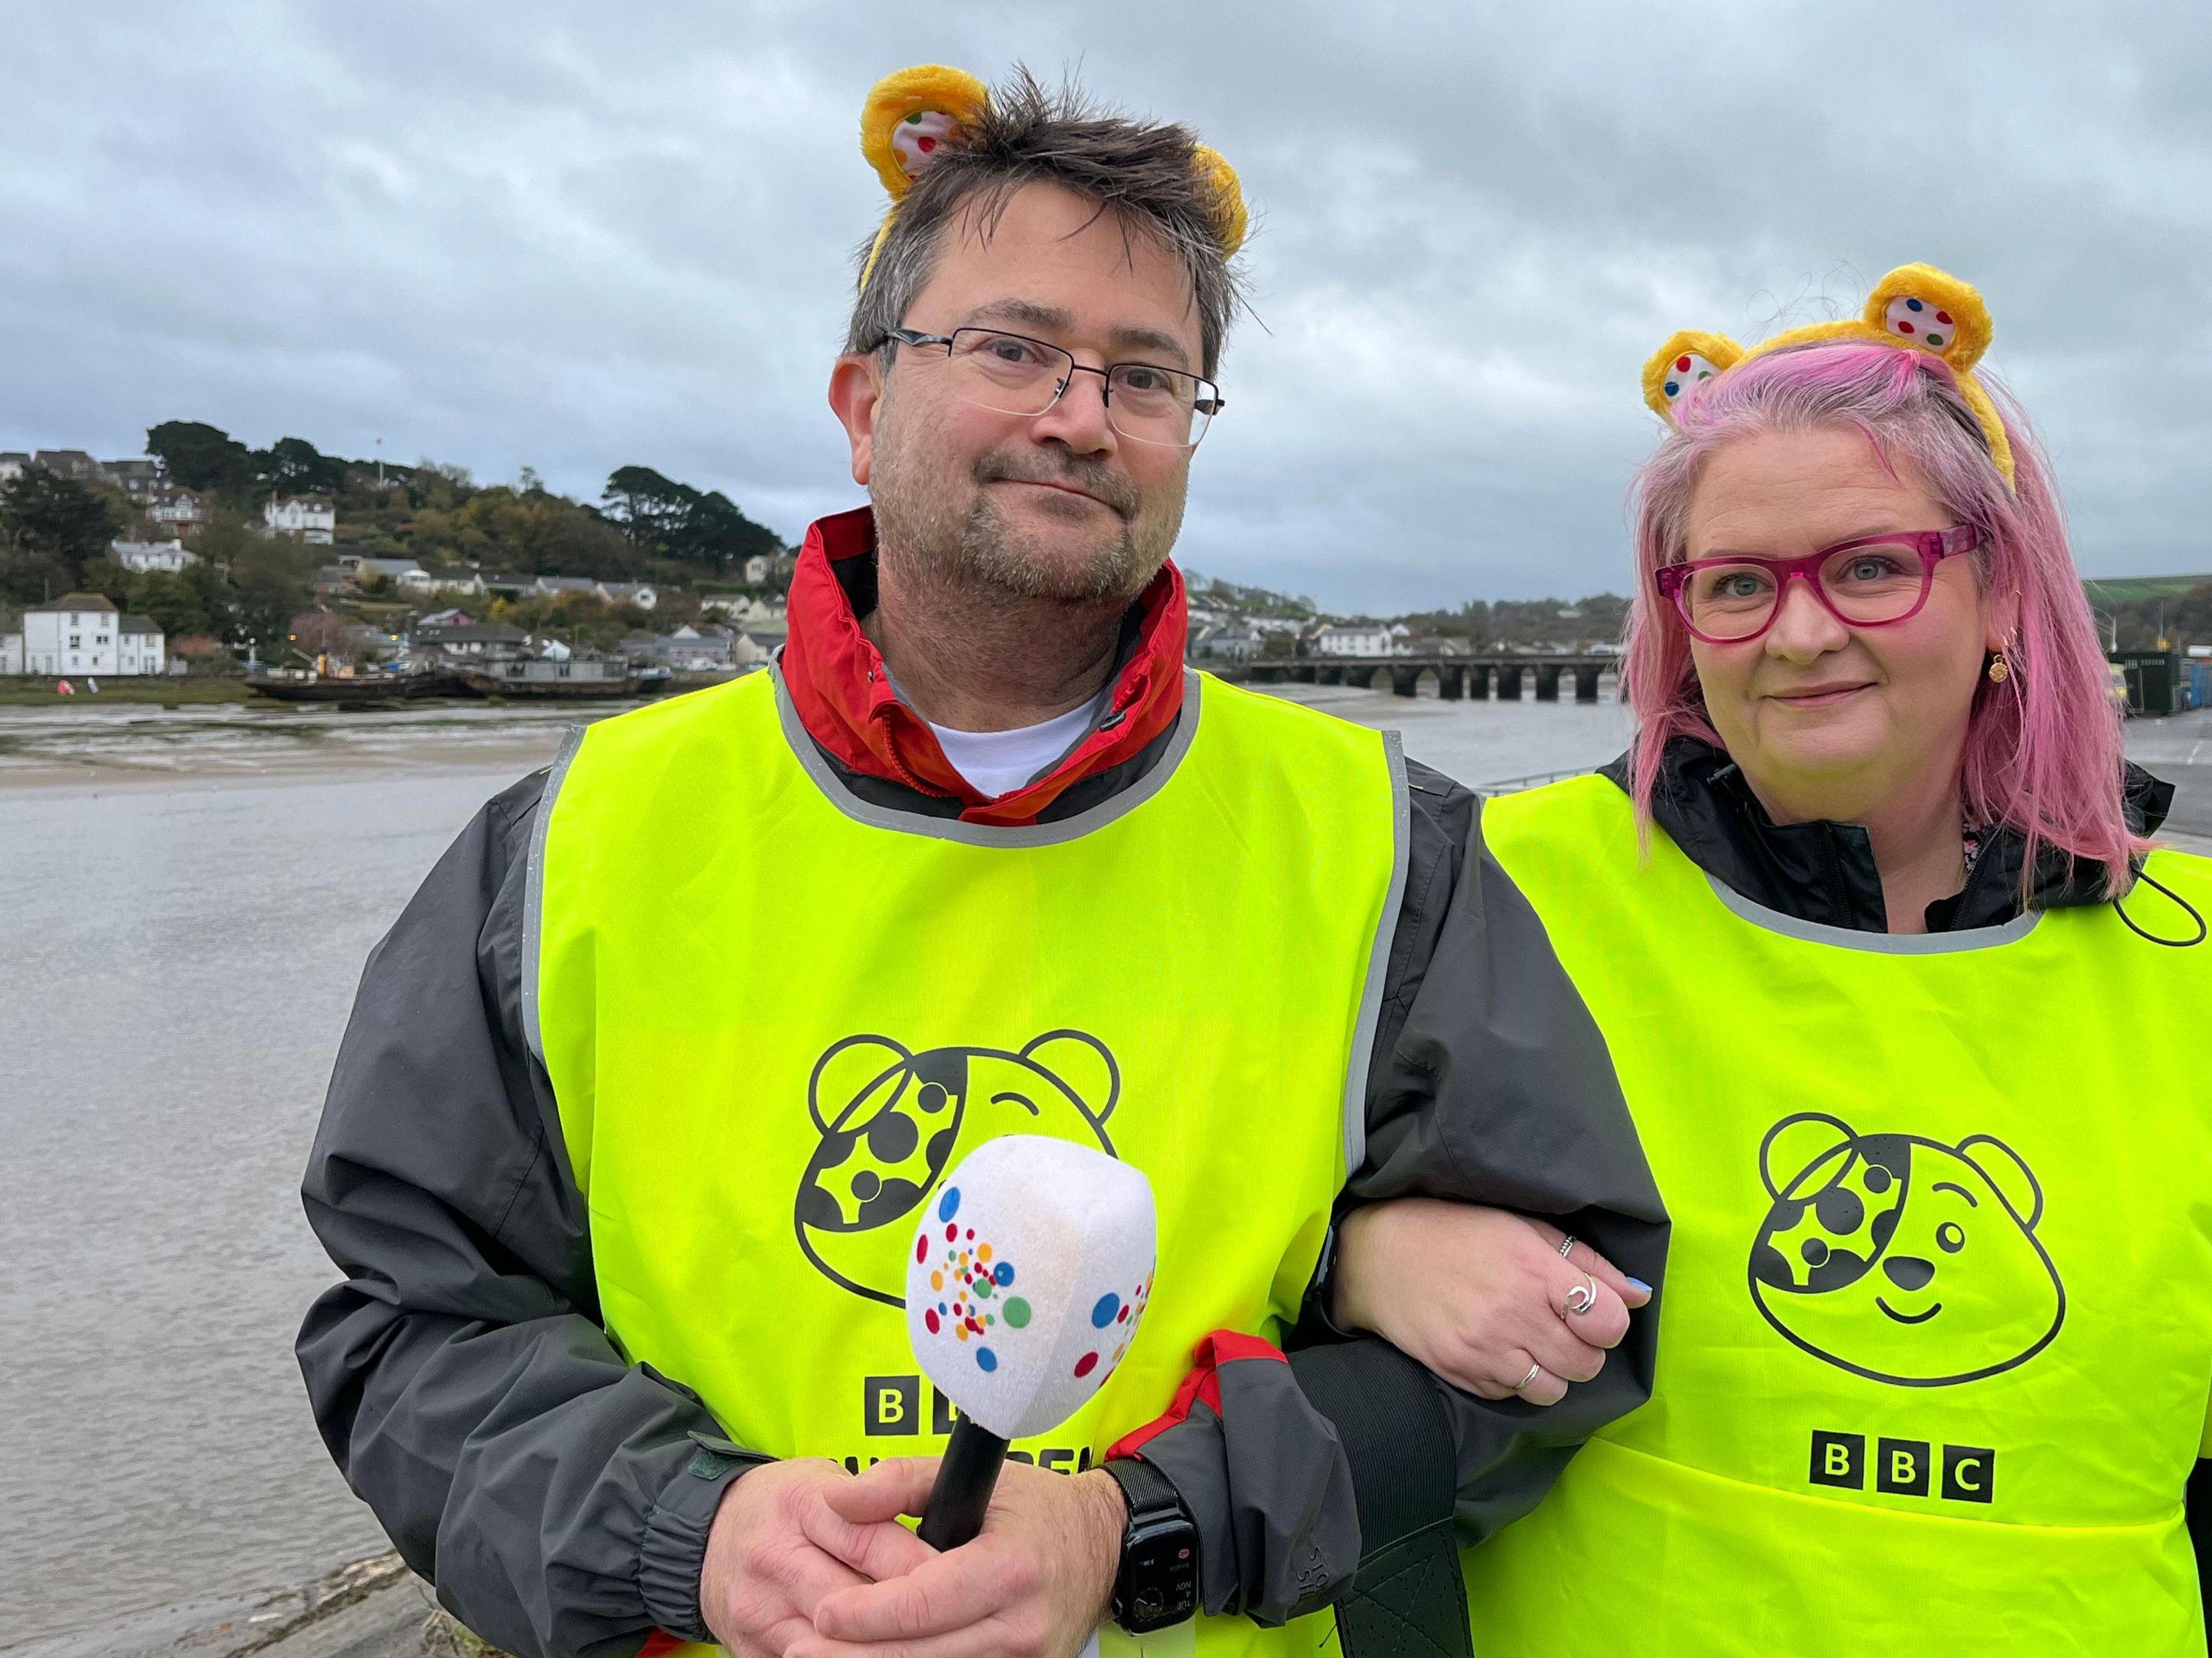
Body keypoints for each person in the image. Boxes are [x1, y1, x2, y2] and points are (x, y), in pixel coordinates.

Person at [295, 64, 1665, 1658]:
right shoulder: (570, 844)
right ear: (864, 402)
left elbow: (1553, 1345)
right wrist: (691, 1533)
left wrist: (1141, 1525)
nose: (1079, 417)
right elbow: (413, 1326)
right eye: (1012, 349)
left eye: (1145, 377)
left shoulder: (1385, 848)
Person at [1324, 267, 2212, 1656]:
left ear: (2001, 594)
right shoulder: (1504, 890)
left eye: (1871, 566)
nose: (1801, 633)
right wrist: (1350, 1259)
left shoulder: (2201, 958)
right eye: (1737, 584)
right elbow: (1205, 1249)